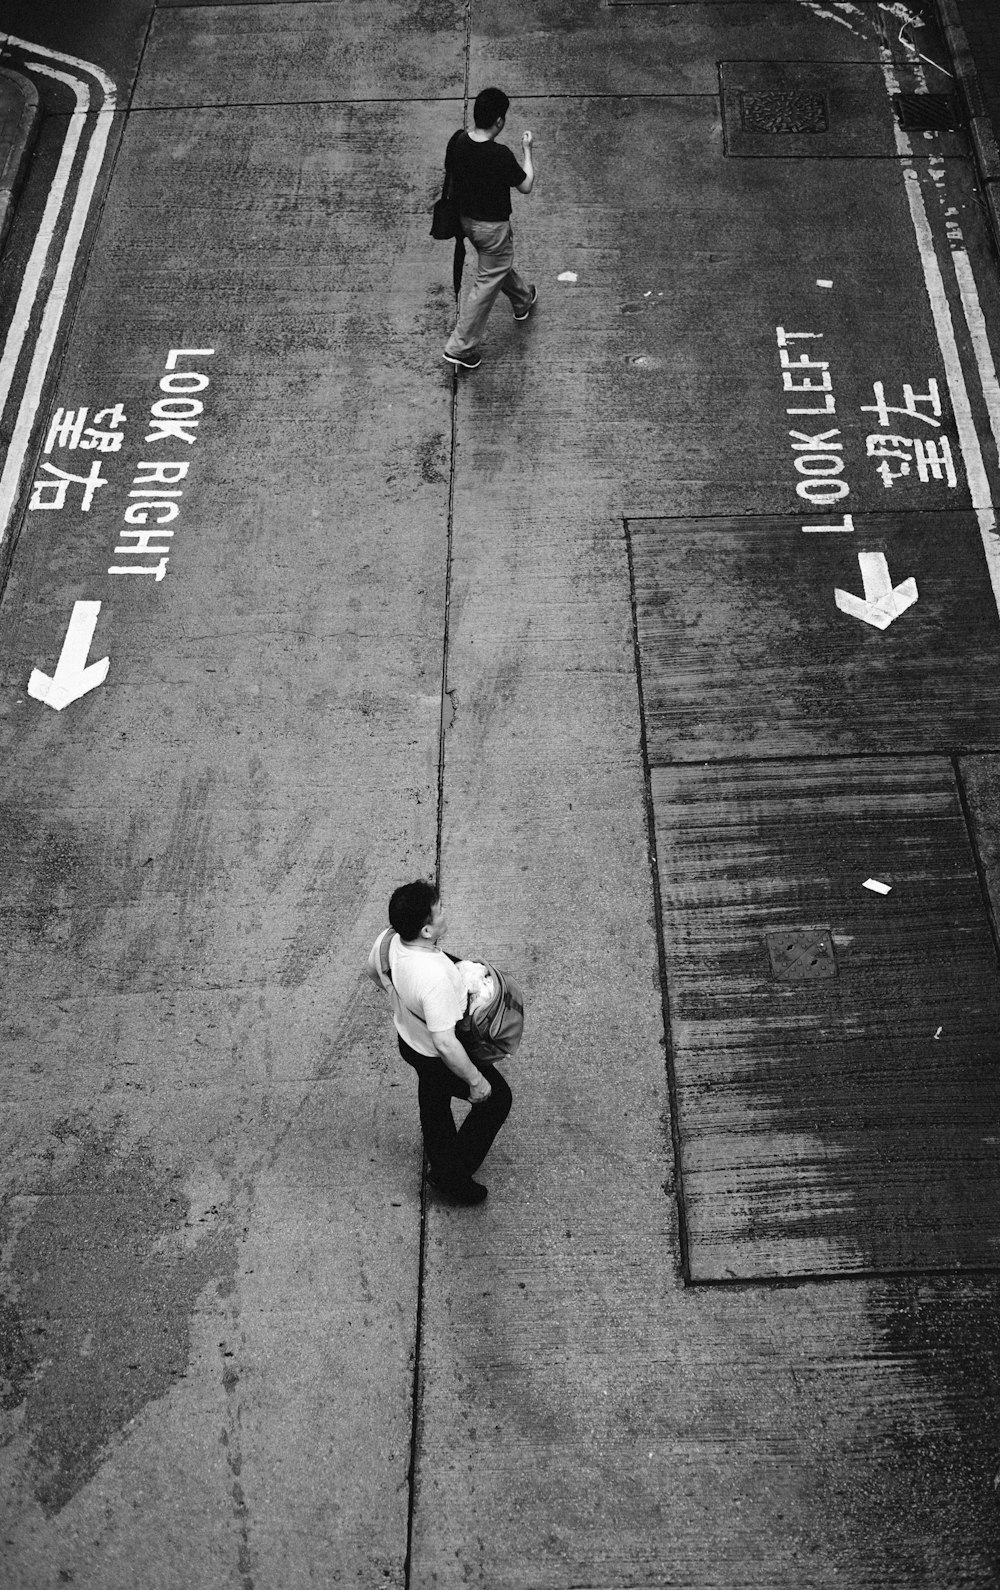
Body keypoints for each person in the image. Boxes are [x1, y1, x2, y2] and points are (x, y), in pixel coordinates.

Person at [367, 879, 512, 1205]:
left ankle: (441, 1152)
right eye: (439, 910)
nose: (445, 911)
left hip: (410, 1042)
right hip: (434, 1051)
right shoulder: (434, 978)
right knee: (497, 1099)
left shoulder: (389, 940)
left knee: (433, 1094)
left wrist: (395, 996)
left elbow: (373, 970)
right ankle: (451, 1176)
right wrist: (475, 1081)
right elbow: (446, 1045)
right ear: (427, 931)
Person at [442, 86, 536, 372]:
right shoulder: (500, 155)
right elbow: (526, 185)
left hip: (466, 223)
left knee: (498, 265)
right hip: (492, 229)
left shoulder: (458, 142)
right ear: (499, 121)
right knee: (485, 284)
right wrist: (527, 151)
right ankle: (460, 347)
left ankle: (522, 300)